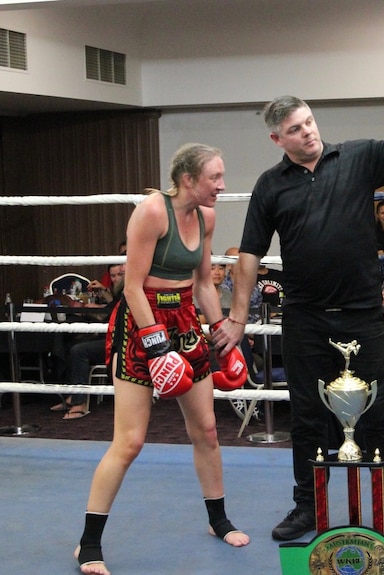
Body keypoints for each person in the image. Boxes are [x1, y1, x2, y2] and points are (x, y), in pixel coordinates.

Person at [211, 65, 384, 543]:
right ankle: (307, 507)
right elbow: (248, 253)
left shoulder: (357, 157)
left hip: (361, 315)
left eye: (309, 121)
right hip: (305, 318)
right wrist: (237, 317)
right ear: (277, 139)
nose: (307, 132)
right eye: (294, 129)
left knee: (378, 414)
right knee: (308, 417)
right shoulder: (271, 185)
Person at [73, 143, 250, 575]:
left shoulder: (206, 216)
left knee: (206, 428)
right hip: (141, 321)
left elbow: (204, 282)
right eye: (215, 178)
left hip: (186, 319)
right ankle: (88, 543)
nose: (222, 186)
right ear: (188, 179)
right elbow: (132, 287)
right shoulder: (152, 211)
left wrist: (224, 331)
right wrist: (155, 343)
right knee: (130, 441)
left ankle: (217, 519)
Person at [50, 263, 125, 420]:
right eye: (113, 275)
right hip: (110, 336)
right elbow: (112, 308)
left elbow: (110, 314)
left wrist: (93, 307)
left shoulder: (131, 290)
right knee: (71, 342)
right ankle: (73, 394)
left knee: (79, 350)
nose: (117, 278)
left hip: (122, 342)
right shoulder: (119, 292)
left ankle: (80, 404)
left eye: (120, 274)